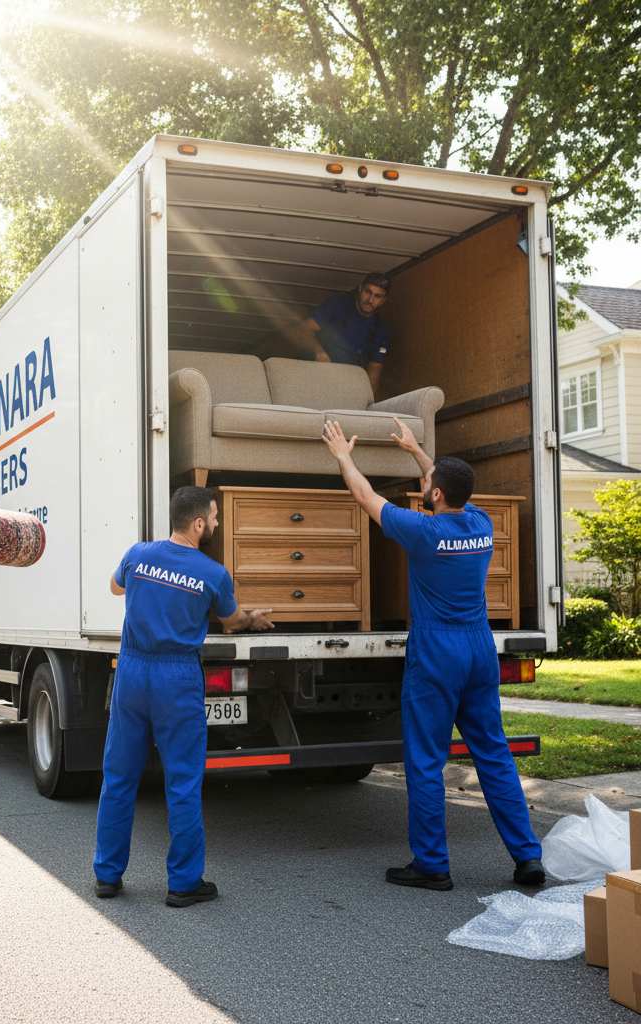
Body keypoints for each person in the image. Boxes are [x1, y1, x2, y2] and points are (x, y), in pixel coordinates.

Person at [320, 418, 545, 890]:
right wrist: (419, 452)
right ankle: (527, 859)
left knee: (425, 759)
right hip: (479, 647)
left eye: (427, 483)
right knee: (494, 753)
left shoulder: (422, 532)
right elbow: (448, 484)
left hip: (437, 649)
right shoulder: (481, 523)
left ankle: (432, 865)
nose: (424, 487)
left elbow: (365, 497)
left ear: (435, 494)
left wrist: (343, 456)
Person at [93, 486, 275, 907]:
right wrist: (253, 618)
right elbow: (231, 622)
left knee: (119, 777)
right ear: (197, 524)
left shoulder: (137, 554)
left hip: (134, 671)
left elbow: (116, 588)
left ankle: (107, 876)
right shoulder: (213, 573)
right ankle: (184, 883)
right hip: (177, 677)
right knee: (183, 781)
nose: (214, 523)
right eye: (212, 518)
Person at [291, 272, 391, 394]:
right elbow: (302, 329)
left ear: (383, 300)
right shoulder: (338, 304)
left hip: (340, 387)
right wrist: (319, 352)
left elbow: (375, 368)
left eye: (377, 296)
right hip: (309, 375)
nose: (370, 300)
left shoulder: (381, 330)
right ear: (360, 289)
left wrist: (367, 402)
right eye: (368, 292)